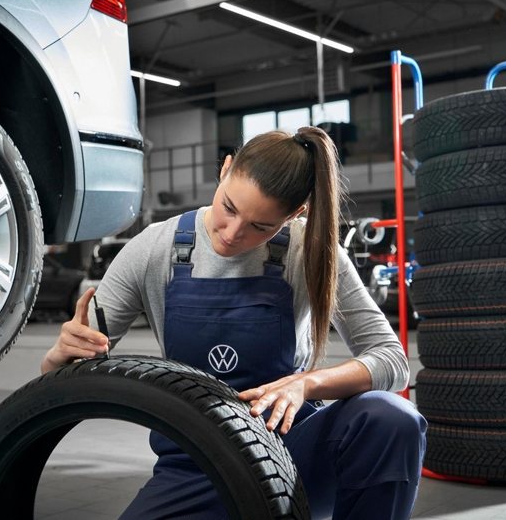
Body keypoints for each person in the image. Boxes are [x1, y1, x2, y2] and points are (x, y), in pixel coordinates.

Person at [41, 126, 427, 519]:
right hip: (193, 465)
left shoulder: (308, 250)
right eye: (229, 207)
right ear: (225, 170)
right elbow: (66, 380)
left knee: (390, 419)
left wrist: (305, 384)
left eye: (261, 227)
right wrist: (60, 356)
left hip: (291, 459)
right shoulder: (152, 249)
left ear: (296, 214)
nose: (231, 233)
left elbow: (392, 361)